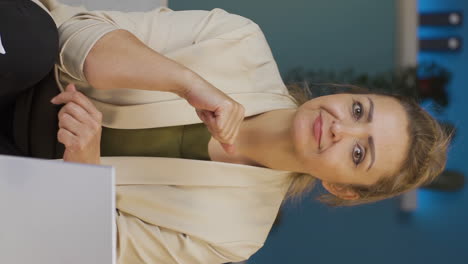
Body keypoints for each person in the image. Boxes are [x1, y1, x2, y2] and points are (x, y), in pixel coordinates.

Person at [3, 1, 450, 263]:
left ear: (342, 189)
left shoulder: (235, 237)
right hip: (33, 72)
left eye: (358, 154)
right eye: (358, 110)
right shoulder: (239, 41)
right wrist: (186, 81)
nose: (340, 128)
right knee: (33, 36)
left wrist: (81, 169)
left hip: (32, 181)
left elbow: (93, 249)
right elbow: (77, 32)